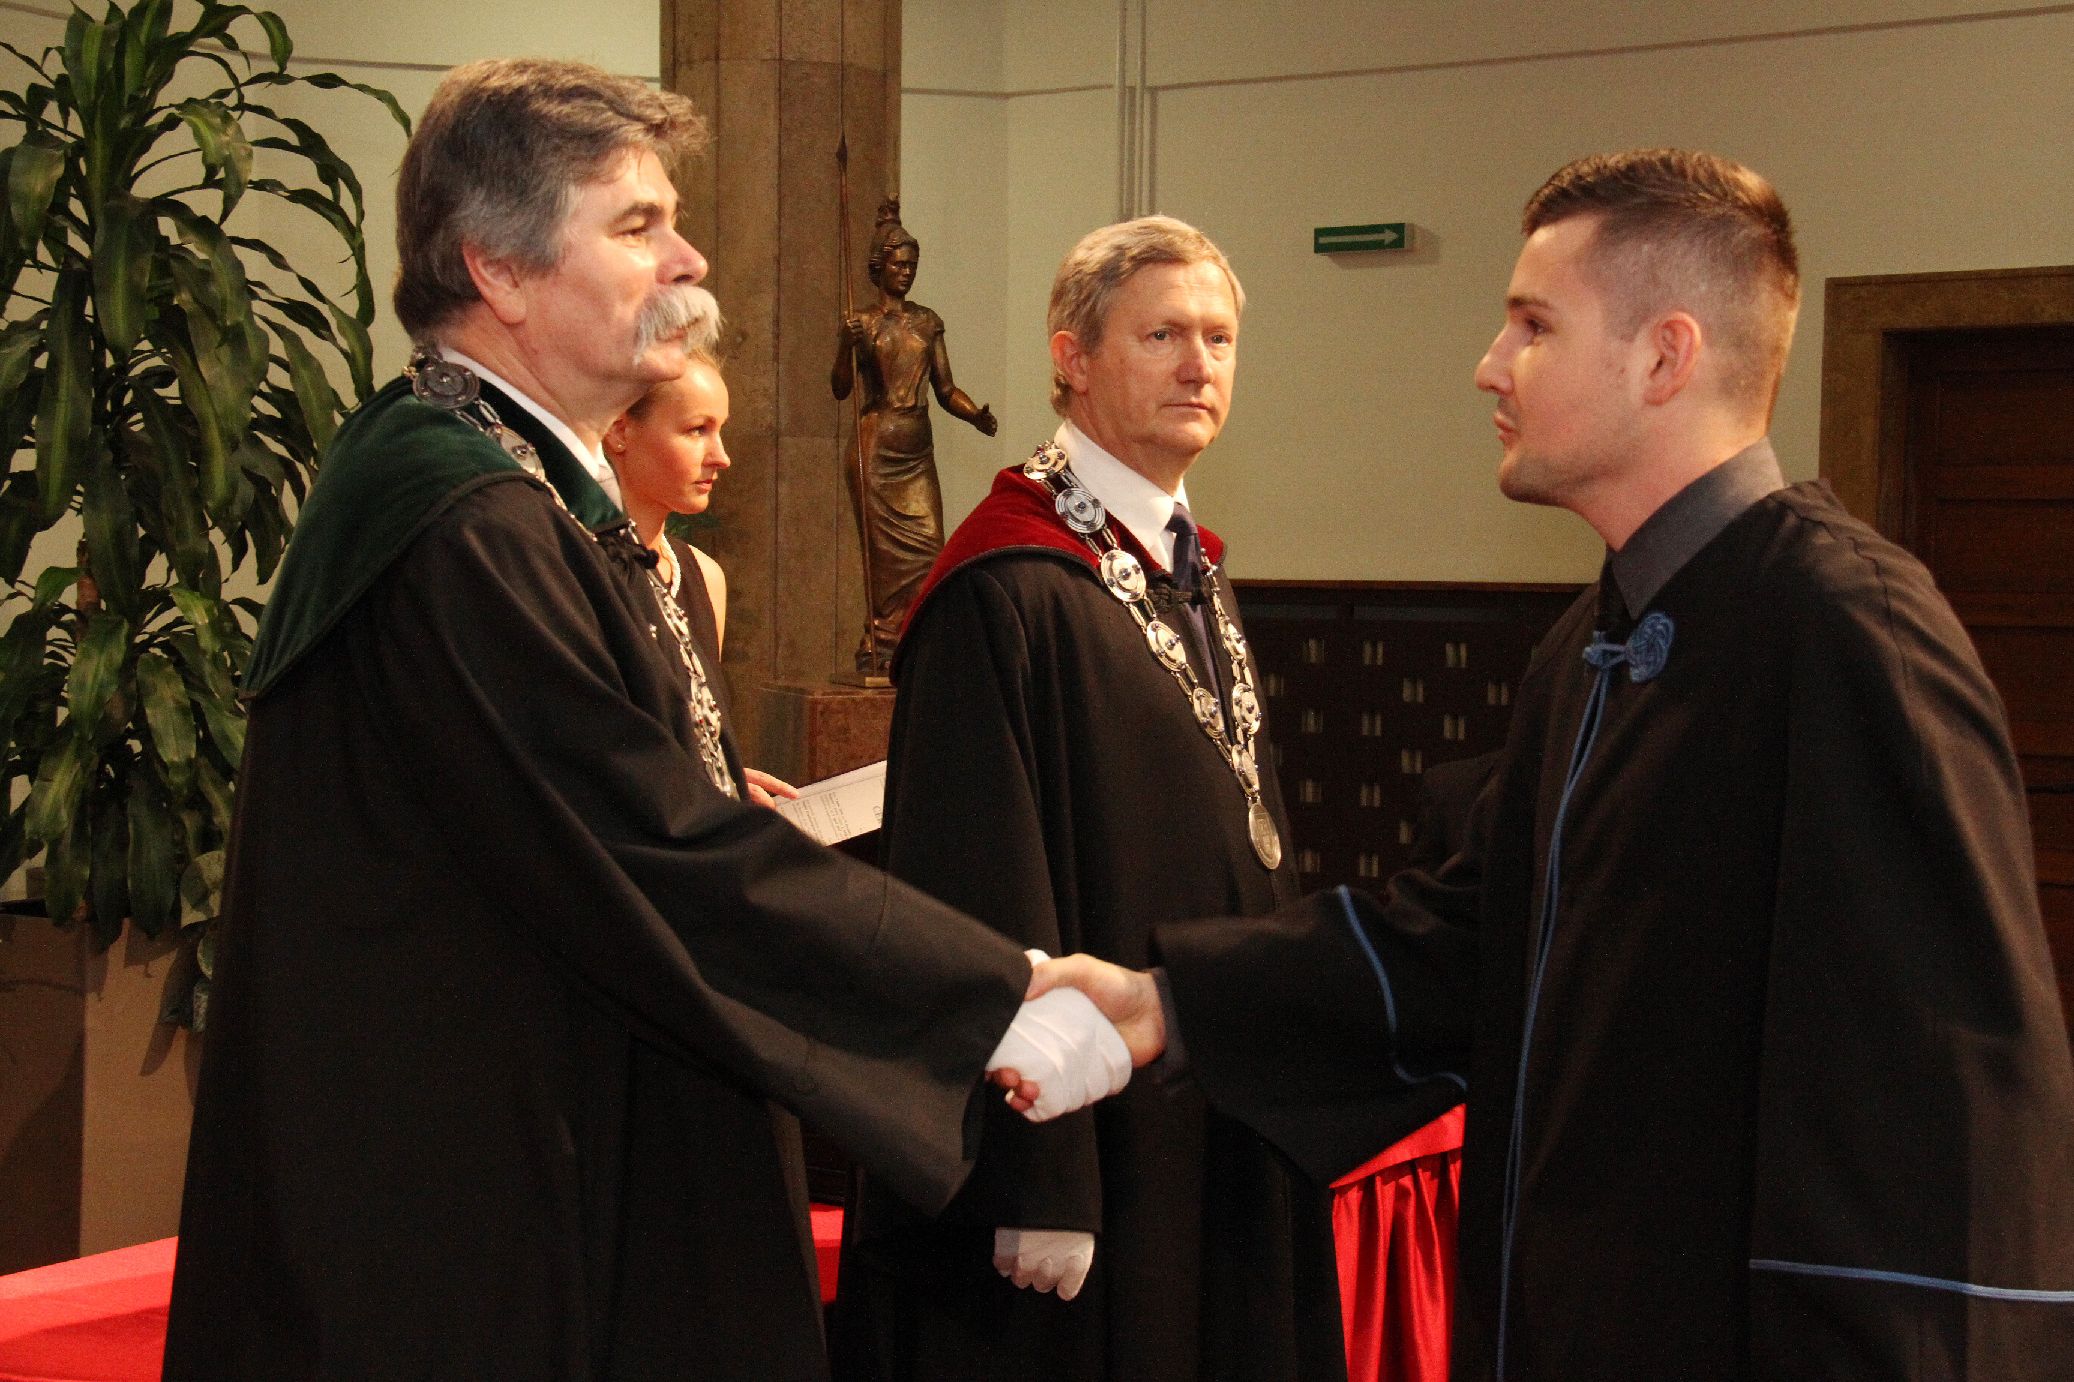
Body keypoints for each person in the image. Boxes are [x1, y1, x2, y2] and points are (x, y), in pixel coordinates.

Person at [1020, 150, 2074, 1378]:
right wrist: (1166, 1000)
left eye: (1533, 325)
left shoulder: (1845, 629)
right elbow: (1467, 942)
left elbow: (1950, 1108)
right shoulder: (1587, 644)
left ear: (1663, 358)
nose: (1490, 363)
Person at [162, 58, 1130, 1382]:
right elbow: (655, 843)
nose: (689, 257)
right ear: (498, 269)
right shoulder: (461, 520)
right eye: (637, 225)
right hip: (477, 1220)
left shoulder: (531, 493)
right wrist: (992, 994)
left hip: (570, 1144)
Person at [833, 217, 1382, 1382]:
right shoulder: (1004, 584)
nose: (1200, 365)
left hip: (1211, 1094)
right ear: (1071, 358)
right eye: (1163, 335)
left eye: (1219, 338)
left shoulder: (1189, 565)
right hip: (1095, 1148)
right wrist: (1033, 1176)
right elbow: (973, 889)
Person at [604, 348, 796, 808]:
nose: (722, 457)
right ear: (620, 430)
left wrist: (723, 777)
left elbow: (694, 730)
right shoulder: (580, 569)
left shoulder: (705, 576)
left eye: (720, 430)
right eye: (696, 430)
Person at [830, 199, 998, 678]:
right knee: (883, 564)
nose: (906, 273)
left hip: (915, 449)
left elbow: (946, 390)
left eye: (912, 266)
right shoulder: (861, 323)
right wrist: (845, 346)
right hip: (876, 447)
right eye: (898, 265)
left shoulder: (927, 322)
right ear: (879, 268)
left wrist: (975, 415)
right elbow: (840, 389)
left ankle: (913, 644)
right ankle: (881, 645)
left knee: (929, 549)